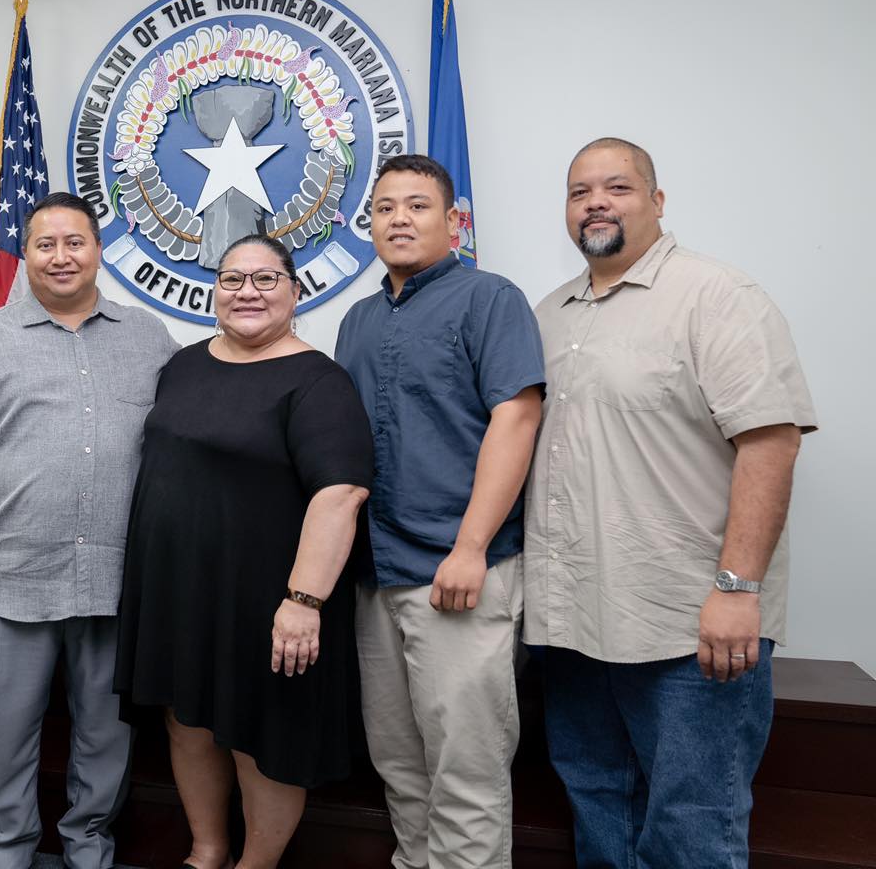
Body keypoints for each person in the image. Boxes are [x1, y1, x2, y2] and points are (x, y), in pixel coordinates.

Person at [526, 137, 817, 867]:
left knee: (692, 828)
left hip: (687, 628)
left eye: (618, 188)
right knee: (598, 806)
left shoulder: (717, 297)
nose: (596, 202)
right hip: (574, 622)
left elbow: (771, 442)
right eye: (579, 191)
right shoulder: (548, 315)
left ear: (657, 203)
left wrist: (737, 588)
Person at [0, 192, 177, 869]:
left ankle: (89, 842)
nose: (61, 256)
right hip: (9, 575)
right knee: (4, 732)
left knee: (107, 734)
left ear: (97, 249)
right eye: (45, 244)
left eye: (75, 242)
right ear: (24, 254)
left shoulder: (147, 338)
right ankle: (10, 846)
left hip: (117, 581)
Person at [115, 233, 373, 869]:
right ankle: (207, 852)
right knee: (188, 721)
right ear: (214, 292)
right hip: (182, 591)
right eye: (232, 280)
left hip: (270, 601)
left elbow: (340, 495)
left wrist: (303, 600)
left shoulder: (318, 380)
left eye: (265, 280)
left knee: (262, 739)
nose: (246, 293)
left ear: (294, 290)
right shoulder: (184, 364)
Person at [335, 154, 545, 869]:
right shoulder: (358, 320)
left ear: (453, 221)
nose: (399, 218)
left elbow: (516, 421)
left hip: (457, 572)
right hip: (376, 573)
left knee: (467, 773)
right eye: (385, 206)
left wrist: (472, 547)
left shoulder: (491, 300)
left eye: (418, 205)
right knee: (399, 764)